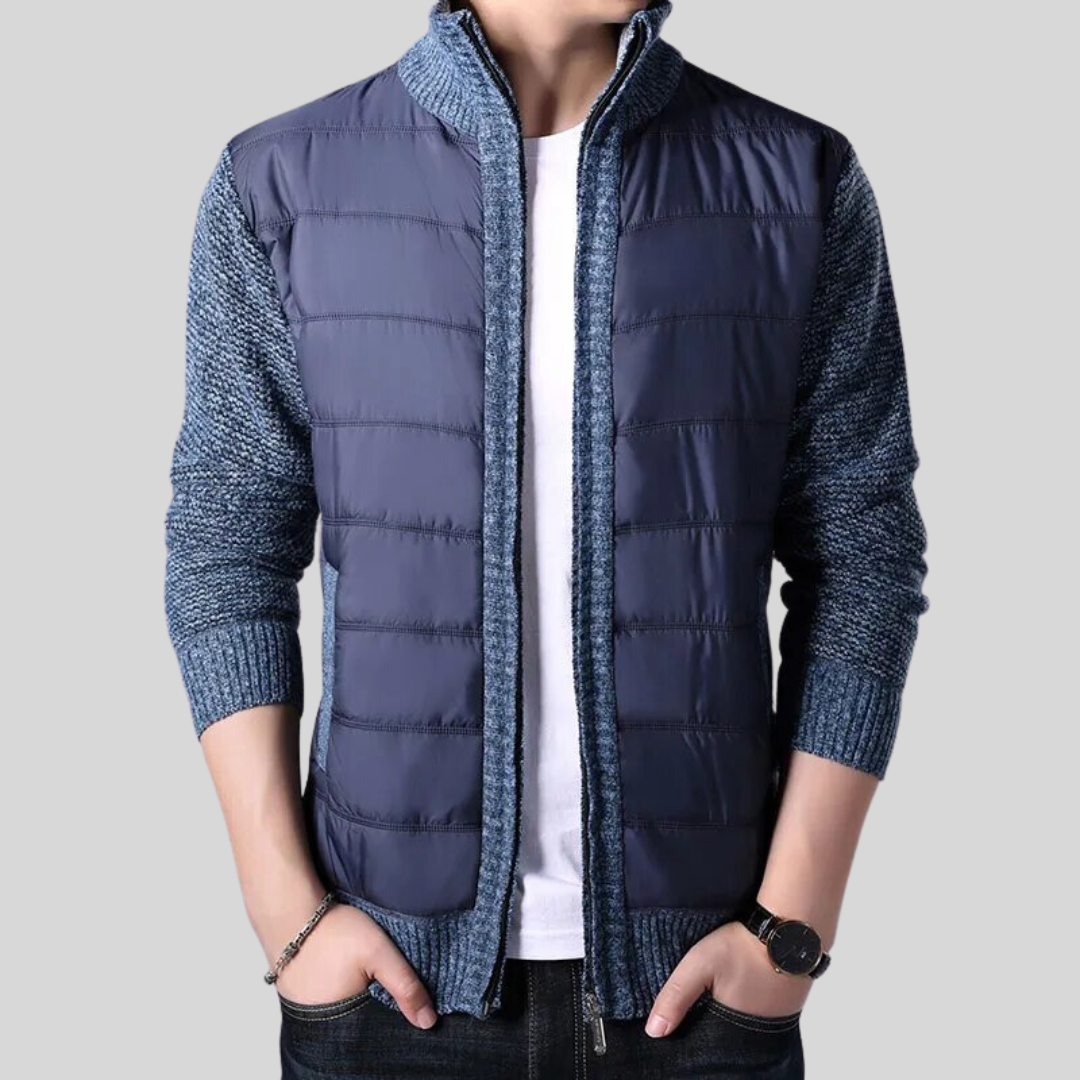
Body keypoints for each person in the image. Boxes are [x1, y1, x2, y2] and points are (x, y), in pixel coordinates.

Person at [164, 1, 928, 1076]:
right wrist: (285, 914)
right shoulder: (282, 183)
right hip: (385, 992)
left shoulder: (796, 180)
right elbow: (226, 549)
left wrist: (791, 926)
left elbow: (863, 557)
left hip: (702, 994)